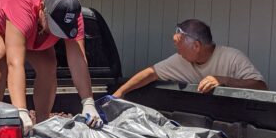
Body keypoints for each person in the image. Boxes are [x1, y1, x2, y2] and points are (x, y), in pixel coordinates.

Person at [0, 0, 102, 134]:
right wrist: (21, 110)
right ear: (42, 9)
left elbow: (78, 61)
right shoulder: (21, 6)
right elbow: (15, 63)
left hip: (31, 24)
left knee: (48, 65)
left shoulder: (72, 13)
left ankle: (42, 123)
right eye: (55, 28)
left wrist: (88, 102)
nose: (58, 35)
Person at [113, 19, 267, 98]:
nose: (178, 52)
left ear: (196, 46)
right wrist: (119, 94)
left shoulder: (232, 58)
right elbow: (151, 73)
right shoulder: (181, 60)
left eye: (179, 47)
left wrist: (224, 80)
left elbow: (260, 87)